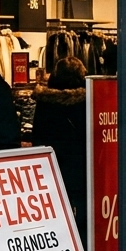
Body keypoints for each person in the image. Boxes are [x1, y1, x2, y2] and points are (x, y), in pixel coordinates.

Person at [32, 57, 88, 237]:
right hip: (81, 162)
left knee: (55, 207)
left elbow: (38, 133)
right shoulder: (87, 101)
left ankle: (60, 243)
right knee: (83, 206)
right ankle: (83, 243)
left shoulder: (45, 101)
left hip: (52, 163)